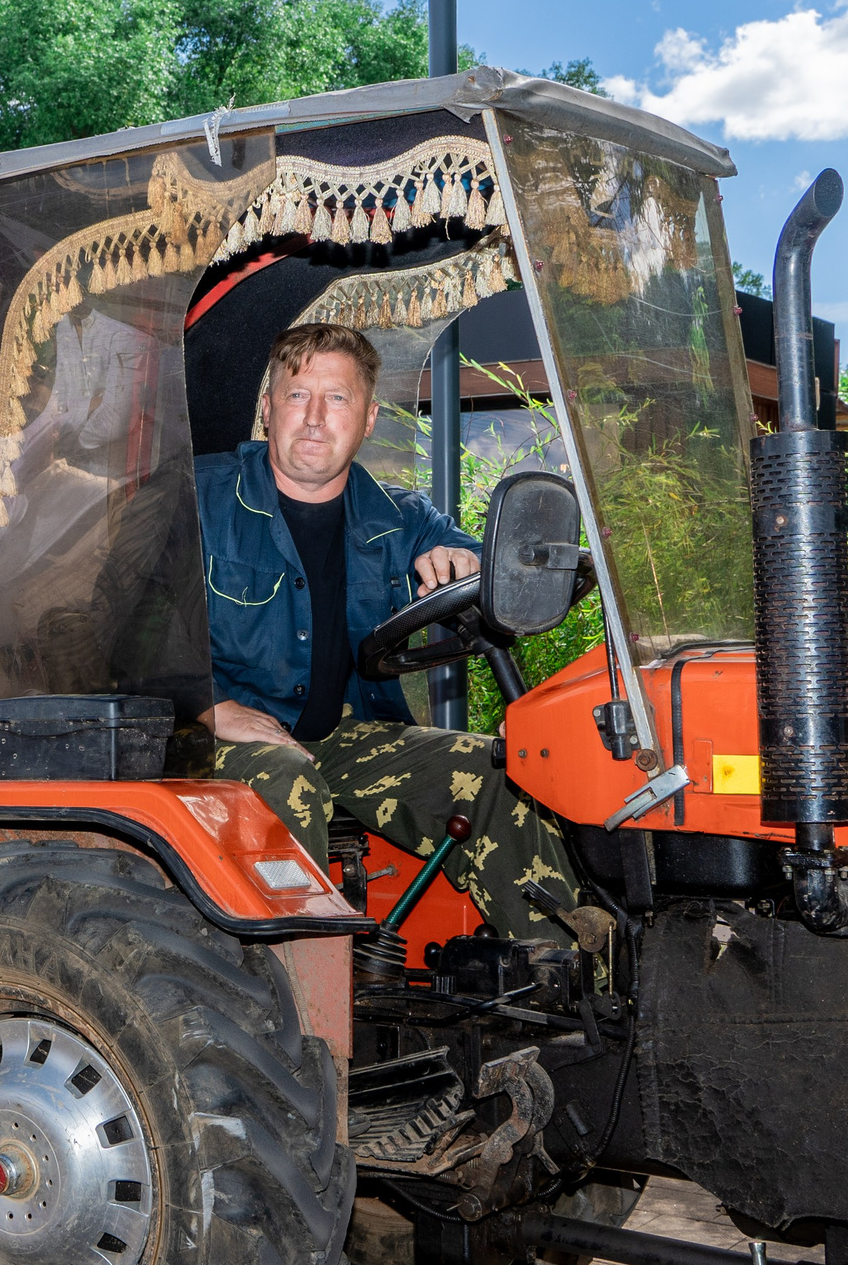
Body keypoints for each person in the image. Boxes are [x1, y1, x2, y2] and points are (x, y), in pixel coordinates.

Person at [195, 321, 602, 949]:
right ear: (268, 409)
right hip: (207, 741)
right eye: (298, 395)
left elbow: (488, 564)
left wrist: (462, 559)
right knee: (287, 781)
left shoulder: (399, 516)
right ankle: (290, 995)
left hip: (339, 736)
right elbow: (111, 624)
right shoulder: (198, 497)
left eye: (336, 398)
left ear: (367, 419)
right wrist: (206, 706)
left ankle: (559, 973)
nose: (313, 417)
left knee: (496, 773)